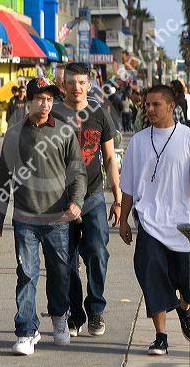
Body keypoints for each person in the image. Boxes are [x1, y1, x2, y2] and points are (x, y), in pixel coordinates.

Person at [0, 77, 87, 355]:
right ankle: (26, 331)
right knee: (27, 274)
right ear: (28, 101)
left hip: (58, 219)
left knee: (59, 272)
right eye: (39, 99)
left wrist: (77, 201)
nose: (45, 104)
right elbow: (4, 177)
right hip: (25, 218)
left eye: (49, 99)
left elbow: (77, 173)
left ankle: (59, 317)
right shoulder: (15, 133)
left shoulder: (65, 132)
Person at [52, 63, 122, 338]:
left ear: (89, 85)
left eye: (81, 82)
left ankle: (95, 310)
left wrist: (117, 197)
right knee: (65, 260)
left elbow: (109, 158)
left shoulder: (100, 114)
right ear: (63, 85)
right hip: (61, 199)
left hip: (93, 196)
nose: (76, 88)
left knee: (97, 251)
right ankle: (74, 314)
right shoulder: (54, 114)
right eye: (71, 82)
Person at [120, 85, 190, 356]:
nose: (149, 109)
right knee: (151, 274)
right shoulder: (138, 141)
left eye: (155, 105)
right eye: (146, 105)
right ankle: (161, 336)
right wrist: (124, 220)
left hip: (183, 223)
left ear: (171, 107)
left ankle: (184, 308)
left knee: (187, 279)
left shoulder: (186, 138)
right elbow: (128, 185)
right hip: (149, 221)